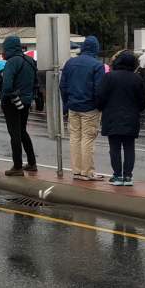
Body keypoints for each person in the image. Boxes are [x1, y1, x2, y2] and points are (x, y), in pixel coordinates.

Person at [95, 50, 145, 187]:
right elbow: (142, 101)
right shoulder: (137, 79)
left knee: (114, 148)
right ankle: (128, 176)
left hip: (111, 117)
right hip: (131, 117)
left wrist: (101, 108)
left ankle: (117, 175)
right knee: (129, 147)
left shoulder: (109, 77)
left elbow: (100, 96)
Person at [59, 35, 105, 180]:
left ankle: (77, 170)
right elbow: (99, 89)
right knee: (88, 139)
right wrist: (99, 106)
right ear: (96, 49)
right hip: (90, 107)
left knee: (74, 138)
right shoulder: (97, 65)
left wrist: (66, 104)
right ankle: (88, 171)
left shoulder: (70, 63)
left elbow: (63, 86)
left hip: (73, 106)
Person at [0, 36, 37, 176]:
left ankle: (17, 166)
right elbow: (36, 82)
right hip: (26, 101)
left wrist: (5, 97)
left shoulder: (12, 62)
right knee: (22, 131)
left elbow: (7, 85)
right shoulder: (30, 60)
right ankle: (32, 163)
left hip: (12, 102)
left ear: (8, 48)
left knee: (14, 133)